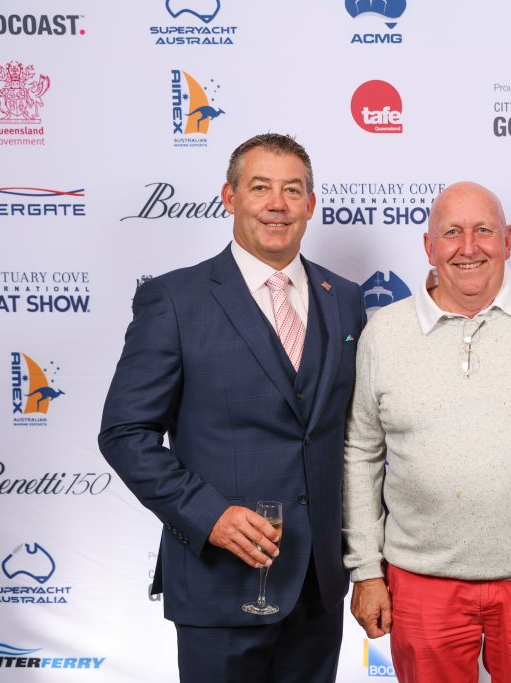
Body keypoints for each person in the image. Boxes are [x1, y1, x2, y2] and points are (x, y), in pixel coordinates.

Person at [99, 133, 366, 682]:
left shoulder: (345, 298)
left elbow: (350, 436)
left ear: (311, 204)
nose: (277, 204)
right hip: (220, 581)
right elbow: (125, 432)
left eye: (292, 190)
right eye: (260, 187)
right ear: (229, 197)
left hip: (317, 588)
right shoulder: (175, 299)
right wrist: (210, 516)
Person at [343, 182, 511, 683]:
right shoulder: (384, 333)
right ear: (429, 246)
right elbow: (361, 451)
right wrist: (365, 569)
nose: (468, 247)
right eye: (451, 233)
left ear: (507, 240)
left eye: (483, 230)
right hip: (420, 579)